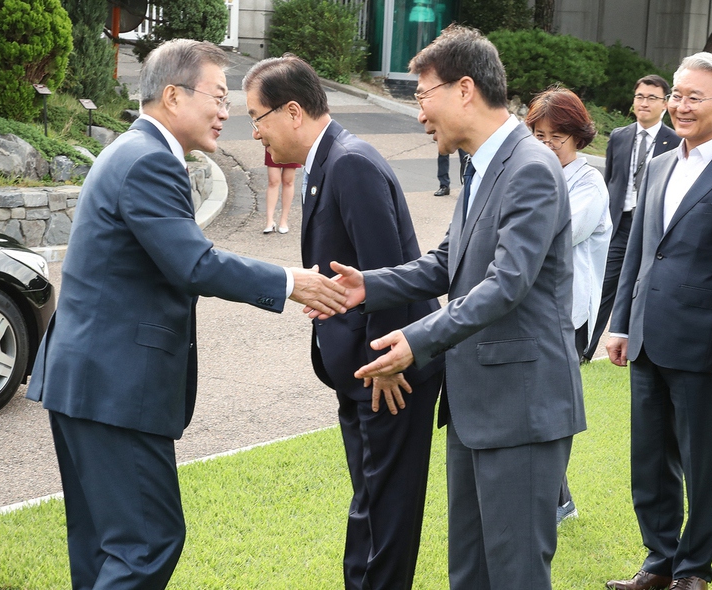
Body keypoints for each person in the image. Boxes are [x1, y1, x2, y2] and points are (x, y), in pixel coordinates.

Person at [24, 39, 347, 590]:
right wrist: (291, 282)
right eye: (218, 97)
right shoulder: (150, 160)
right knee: (146, 543)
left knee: (103, 547)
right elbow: (193, 264)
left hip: (89, 382)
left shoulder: (133, 151)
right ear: (173, 96)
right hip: (113, 389)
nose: (227, 112)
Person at [321, 24, 585, 589]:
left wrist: (416, 339)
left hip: (521, 409)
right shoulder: (481, 164)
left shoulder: (531, 169)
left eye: (422, 96)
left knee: (513, 575)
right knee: (470, 574)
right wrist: (369, 285)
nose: (419, 115)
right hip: (476, 407)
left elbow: (505, 284)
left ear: (465, 89)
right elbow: (447, 263)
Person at [244, 55, 444, 590]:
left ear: (292, 111)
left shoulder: (351, 162)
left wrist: (385, 361)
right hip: (361, 370)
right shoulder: (326, 162)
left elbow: (388, 272)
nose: (254, 131)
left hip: (388, 376)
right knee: (372, 505)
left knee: (383, 518)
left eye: (256, 117)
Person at [604, 53, 712, 590]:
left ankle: (694, 570)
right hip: (648, 338)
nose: (679, 105)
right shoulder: (658, 165)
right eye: (676, 94)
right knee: (648, 461)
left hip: (706, 347)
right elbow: (637, 251)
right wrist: (620, 322)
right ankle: (659, 561)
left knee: (701, 463)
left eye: (692, 97)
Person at [525, 85, 611, 526]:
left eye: (554, 137)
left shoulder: (588, 181)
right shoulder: (535, 173)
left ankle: (557, 502)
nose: (545, 145)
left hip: (568, 315)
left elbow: (562, 233)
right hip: (533, 309)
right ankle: (555, 498)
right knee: (531, 403)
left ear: (577, 136)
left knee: (552, 407)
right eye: (537, 136)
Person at [583, 74, 679, 361]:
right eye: (640, 96)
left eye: (652, 98)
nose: (644, 103)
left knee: (648, 288)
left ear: (664, 104)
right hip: (619, 224)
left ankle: (643, 346)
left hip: (652, 226)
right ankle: (585, 350)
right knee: (603, 288)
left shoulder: (674, 141)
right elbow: (610, 179)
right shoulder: (620, 136)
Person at [263, 146, 299, 233]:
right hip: (274, 141)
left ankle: (284, 220)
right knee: (273, 181)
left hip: (292, 143)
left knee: (288, 181)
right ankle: (269, 221)